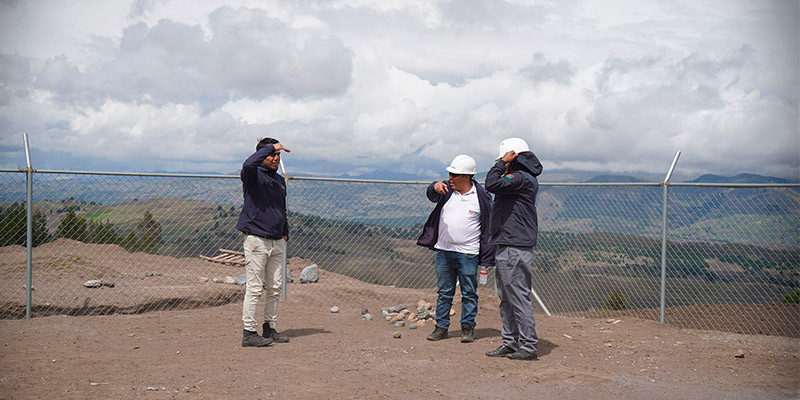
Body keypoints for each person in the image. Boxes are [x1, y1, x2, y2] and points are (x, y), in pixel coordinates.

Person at [417, 155, 495, 343]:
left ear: (467, 176)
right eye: (449, 174)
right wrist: (433, 186)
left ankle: (467, 328)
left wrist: (486, 257)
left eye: (454, 174)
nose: (450, 178)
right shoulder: (446, 190)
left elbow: (488, 228)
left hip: (468, 253)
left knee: (469, 292)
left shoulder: (481, 197)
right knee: (444, 292)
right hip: (444, 251)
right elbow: (432, 193)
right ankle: (441, 327)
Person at [484, 137, 543, 361]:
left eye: (504, 157)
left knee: (517, 296)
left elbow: (491, 183)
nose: (501, 162)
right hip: (507, 243)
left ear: (512, 156)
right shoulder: (521, 178)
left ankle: (528, 345)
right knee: (507, 298)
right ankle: (510, 342)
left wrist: (500, 164)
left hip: (514, 246)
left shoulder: (520, 177)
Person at [236, 137, 292, 347]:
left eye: (278, 155)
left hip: (277, 241)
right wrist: (271, 146)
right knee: (255, 287)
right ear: (263, 155)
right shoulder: (253, 175)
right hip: (257, 240)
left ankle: (270, 327)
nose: (276, 158)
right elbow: (247, 164)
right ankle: (249, 332)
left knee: (275, 287)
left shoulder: (278, 180)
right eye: (272, 155)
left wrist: (285, 232)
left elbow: (281, 209)